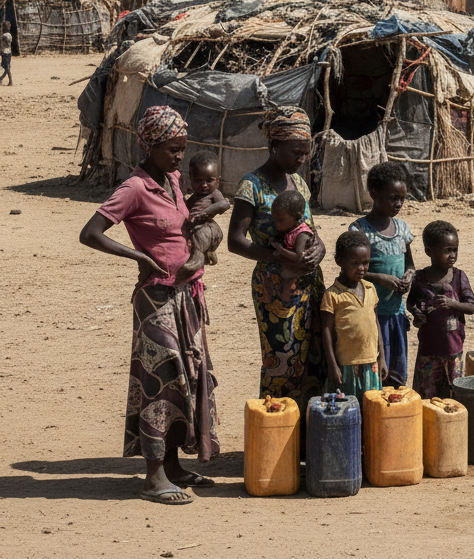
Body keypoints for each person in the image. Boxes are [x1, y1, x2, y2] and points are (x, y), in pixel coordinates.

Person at [79, 105, 218, 505]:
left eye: (182, 148)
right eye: (173, 149)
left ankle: (172, 465)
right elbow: (90, 233)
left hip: (188, 297)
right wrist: (138, 257)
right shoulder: (134, 188)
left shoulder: (172, 179)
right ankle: (153, 477)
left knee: (186, 379)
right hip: (156, 300)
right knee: (160, 384)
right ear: (151, 145)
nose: (179, 157)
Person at [228, 105, 326, 414]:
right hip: (275, 289)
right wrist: (279, 257)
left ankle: (308, 441)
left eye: (305, 152)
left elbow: (310, 229)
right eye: (296, 151)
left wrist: (319, 248)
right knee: (282, 360)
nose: (302, 158)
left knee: (316, 357)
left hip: (310, 284)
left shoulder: (300, 184)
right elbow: (235, 241)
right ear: (274, 146)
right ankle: (277, 433)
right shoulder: (252, 186)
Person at [349, 161, 415, 388]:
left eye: (402, 199)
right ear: (374, 194)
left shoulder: (403, 229)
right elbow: (351, 272)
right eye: (393, 198)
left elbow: (410, 264)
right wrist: (381, 278)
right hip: (371, 313)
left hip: (396, 313)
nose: (398, 204)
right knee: (374, 371)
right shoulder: (359, 230)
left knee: (397, 372)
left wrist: (408, 277)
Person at [407, 220, 474, 397]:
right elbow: (411, 302)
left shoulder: (459, 277)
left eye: (455, 250)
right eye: (447, 251)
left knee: (453, 397)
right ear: (429, 252)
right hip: (428, 351)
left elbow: (471, 307)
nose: (452, 255)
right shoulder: (420, 278)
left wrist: (452, 304)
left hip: (453, 352)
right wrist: (416, 313)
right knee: (427, 397)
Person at [321, 230, 387, 405]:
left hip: (371, 364)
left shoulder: (370, 289)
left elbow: (375, 324)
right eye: (355, 263)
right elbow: (326, 332)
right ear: (339, 262)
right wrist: (332, 365)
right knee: (348, 411)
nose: (362, 268)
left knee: (373, 410)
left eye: (365, 263)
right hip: (347, 365)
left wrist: (382, 358)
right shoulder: (333, 295)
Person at [178, 151, 230, 279]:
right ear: (191, 178)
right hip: (195, 228)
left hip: (208, 227)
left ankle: (196, 262)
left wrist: (206, 213)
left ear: (218, 180)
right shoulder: (194, 197)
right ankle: (197, 274)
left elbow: (224, 205)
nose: (204, 185)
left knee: (200, 235)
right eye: (198, 180)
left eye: (209, 180)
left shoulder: (214, 194)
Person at [269, 189, 314, 299]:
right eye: (275, 220)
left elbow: (298, 256)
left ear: (297, 217)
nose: (276, 224)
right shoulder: (290, 230)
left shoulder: (302, 234)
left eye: (280, 220)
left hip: (299, 274)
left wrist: (280, 249)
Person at [1, 20, 12, 86]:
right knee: (4, 66)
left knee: (7, 67)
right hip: (8, 52)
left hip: (5, 53)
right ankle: (1, 79)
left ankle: (10, 81)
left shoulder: (4, 36)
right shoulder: (9, 35)